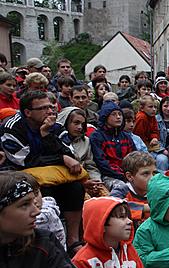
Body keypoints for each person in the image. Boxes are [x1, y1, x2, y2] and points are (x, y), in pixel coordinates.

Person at [0, 91, 85, 246]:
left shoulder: (56, 126)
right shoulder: (11, 128)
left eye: (51, 107)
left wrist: (47, 135)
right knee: (41, 190)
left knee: (75, 188)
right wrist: (61, 159)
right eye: (43, 108)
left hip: (54, 176)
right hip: (20, 177)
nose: (50, 112)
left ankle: (73, 240)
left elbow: (71, 154)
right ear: (28, 112)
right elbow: (24, 161)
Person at [56, 107, 104, 196]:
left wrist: (96, 181)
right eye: (76, 123)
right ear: (66, 122)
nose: (79, 127)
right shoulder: (56, 141)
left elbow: (90, 165)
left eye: (82, 124)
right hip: (67, 184)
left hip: (86, 179)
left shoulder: (85, 141)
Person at [90, 101, 137, 192]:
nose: (118, 117)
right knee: (123, 187)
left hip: (128, 174)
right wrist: (122, 175)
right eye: (114, 114)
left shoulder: (126, 136)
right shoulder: (97, 137)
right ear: (105, 117)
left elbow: (134, 158)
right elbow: (101, 162)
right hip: (108, 176)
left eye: (120, 114)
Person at [110, 151, 156, 228]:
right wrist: (145, 208)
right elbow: (112, 207)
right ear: (130, 176)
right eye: (146, 173)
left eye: (153, 173)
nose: (152, 178)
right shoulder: (122, 190)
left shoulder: (157, 191)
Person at [134, 96, 169, 172]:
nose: (154, 109)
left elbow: (155, 130)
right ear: (142, 108)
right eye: (150, 107)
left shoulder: (152, 116)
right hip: (143, 149)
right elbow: (139, 139)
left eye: (155, 107)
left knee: (163, 159)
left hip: (152, 147)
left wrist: (154, 138)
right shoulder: (141, 118)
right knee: (161, 160)